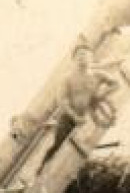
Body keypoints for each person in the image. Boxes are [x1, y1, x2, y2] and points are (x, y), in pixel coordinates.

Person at [35, 44, 118, 174]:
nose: (82, 58)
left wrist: (101, 94)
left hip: (89, 116)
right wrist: (75, 117)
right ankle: (41, 170)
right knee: (58, 144)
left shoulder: (99, 75)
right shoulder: (67, 78)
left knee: (84, 145)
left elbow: (115, 84)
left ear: (91, 58)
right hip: (69, 117)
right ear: (74, 59)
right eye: (79, 55)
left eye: (85, 55)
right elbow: (62, 101)